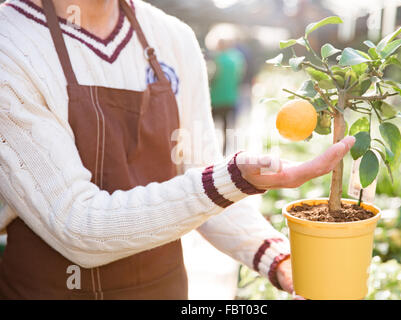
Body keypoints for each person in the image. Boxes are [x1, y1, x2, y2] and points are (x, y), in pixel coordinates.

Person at [0, 0, 355, 299]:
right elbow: (75, 226)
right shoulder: (11, 41)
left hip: (163, 288)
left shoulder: (171, 37)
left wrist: (282, 262)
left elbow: (198, 176)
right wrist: (228, 179)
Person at [210, 38, 245, 155]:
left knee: (211, 127)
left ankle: (212, 151)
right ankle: (224, 152)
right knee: (227, 127)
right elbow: (239, 76)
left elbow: (211, 78)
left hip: (215, 99)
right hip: (230, 98)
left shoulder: (217, 59)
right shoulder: (237, 59)